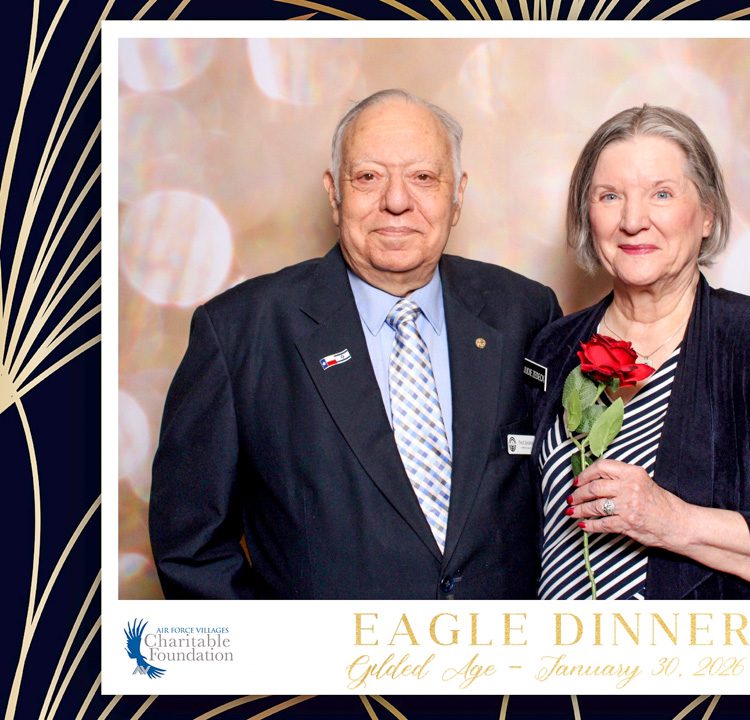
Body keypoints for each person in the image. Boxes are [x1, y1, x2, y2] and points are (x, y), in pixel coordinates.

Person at [149, 89, 561, 599]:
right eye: (368, 177)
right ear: (333, 193)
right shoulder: (239, 331)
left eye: (423, 177)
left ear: (457, 194)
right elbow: (190, 548)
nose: (396, 201)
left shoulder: (526, 313)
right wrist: (273, 650)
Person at [528, 105, 750, 600]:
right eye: (610, 196)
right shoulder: (554, 346)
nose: (633, 221)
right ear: (588, 214)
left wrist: (672, 521)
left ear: (707, 214)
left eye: (662, 194)